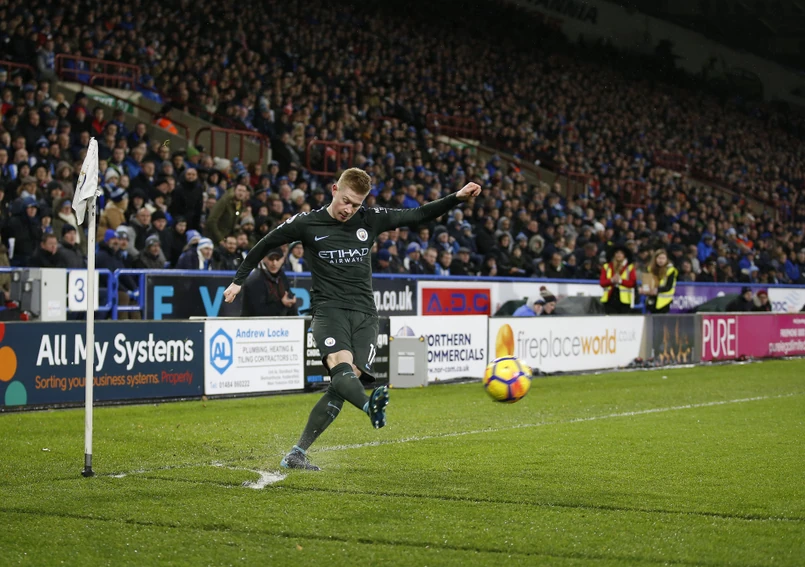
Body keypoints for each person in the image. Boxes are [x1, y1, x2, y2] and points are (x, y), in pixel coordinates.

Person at [223, 168, 481, 471]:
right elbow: (265, 244)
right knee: (340, 364)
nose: (349, 209)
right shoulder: (307, 223)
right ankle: (369, 406)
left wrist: (457, 197)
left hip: (365, 314)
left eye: (356, 205)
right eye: (345, 201)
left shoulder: (370, 219)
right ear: (334, 190)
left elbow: (418, 215)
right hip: (328, 310)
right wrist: (238, 280)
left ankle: (297, 453)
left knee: (347, 379)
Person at [241, 247, 299, 317]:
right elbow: (258, 311)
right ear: (264, 258)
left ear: (283, 259)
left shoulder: (281, 276)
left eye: (277, 259)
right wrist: (281, 304)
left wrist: (291, 303)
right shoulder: (254, 280)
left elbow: (289, 299)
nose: (274, 263)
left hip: (278, 322)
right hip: (254, 322)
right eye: (271, 259)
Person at [600, 244, 637, 314]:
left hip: (625, 301)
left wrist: (620, 281)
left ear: (624, 255)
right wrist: (611, 280)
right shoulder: (606, 266)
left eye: (621, 253)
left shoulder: (629, 267)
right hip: (609, 298)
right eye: (617, 253)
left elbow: (632, 283)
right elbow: (602, 283)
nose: (619, 255)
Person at [645, 249, 678, 314]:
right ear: (655, 259)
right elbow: (646, 284)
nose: (661, 260)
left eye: (663, 258)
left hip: (664, 302)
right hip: (652, 299)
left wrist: (657, 290)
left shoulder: (671, 270)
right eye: (659, 258)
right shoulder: (649, 269)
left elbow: (668, 286)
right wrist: (645, 289)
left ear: (666, 259)